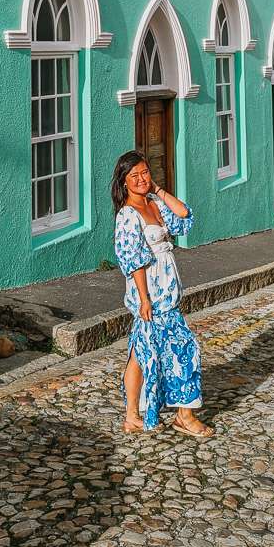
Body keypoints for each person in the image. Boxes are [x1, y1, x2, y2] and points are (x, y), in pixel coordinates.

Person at [112, 150, 212, 437]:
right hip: (151, 299)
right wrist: (144, 299)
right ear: (124, 183)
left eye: (145, 173)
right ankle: (184, 415)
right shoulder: (128, 215)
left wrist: (157, 190)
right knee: (183, 349)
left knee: (141, 354)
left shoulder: (154, 202)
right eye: (135, 176)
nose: (141, 179)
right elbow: (134, 259)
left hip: (168, 296)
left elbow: (184, 217)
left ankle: (134, 415)